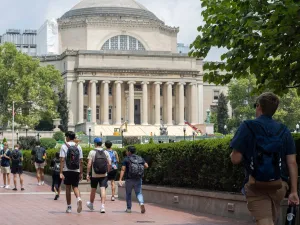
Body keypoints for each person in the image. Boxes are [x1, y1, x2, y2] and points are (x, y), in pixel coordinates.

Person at [230, 92, 299, 225]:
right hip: (279, 185)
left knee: (265, 221)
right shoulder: (284, 130)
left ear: (259, 106)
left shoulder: (247, 126)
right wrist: (294, 191)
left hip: (256, 184)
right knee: (270, 220)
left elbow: (236, 159)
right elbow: (292, 163)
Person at [119, 146, 148, 214]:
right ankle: (141, 203)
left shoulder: (126, 159)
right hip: (138, 178)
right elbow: (146, 166)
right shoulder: (140, 158)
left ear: (129, 151)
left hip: (129, 179)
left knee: (128, 194)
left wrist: (120, 179)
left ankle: (129, 209)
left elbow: (123, 169)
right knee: (138, 193)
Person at [60, 131, 83, 213]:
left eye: (66, 136)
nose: (66, 138)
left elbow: (62, 159)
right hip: (76, 170)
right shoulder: (78, 147)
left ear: (68, 137)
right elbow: (81, 161)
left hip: (67, 170)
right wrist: (81, 172)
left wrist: (61, 172)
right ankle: (79, 199)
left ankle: (69, 207)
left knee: (68, 188)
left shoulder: (64, 146)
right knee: (75, 187)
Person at [86, 137, 111, 213]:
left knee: (93, 189)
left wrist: (87, 174)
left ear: (95, 143)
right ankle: (102, 206)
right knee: (103, 189)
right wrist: (107, 171)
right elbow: (109, 163)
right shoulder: (106, 152)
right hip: (104, 174)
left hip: (94, 174)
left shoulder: (92, 152)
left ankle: (91, 204)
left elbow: (89, 164)